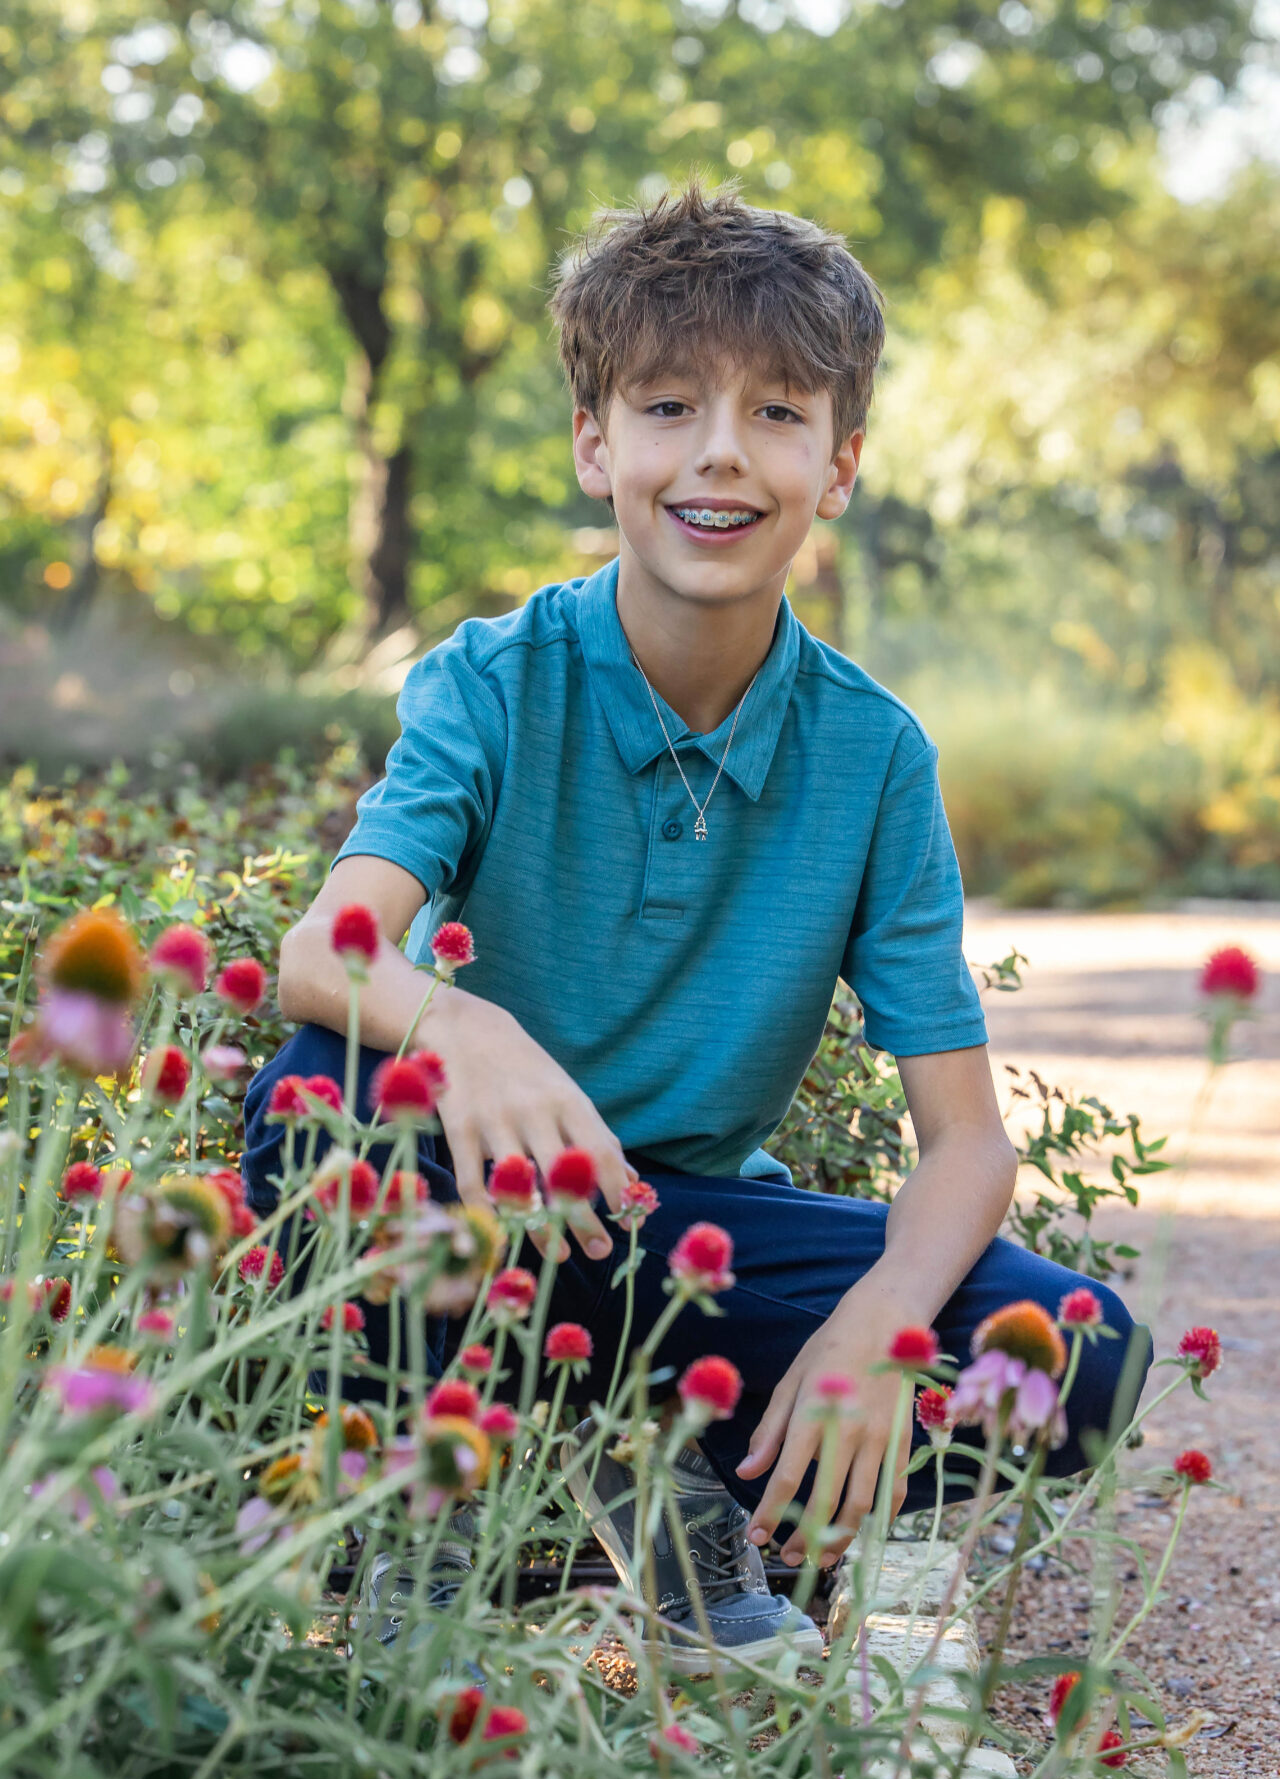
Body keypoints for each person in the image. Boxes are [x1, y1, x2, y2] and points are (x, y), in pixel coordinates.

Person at [242, 181, 1151, 1670]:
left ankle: (676, 1476)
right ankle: (432, 1511)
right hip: (491, 1202)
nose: (721, 453)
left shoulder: (876, 756)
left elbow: (969, 1143)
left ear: (839, 463)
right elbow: (325, 950)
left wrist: (881, 1332)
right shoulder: (493, 681)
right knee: (317, 1108)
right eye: (669, 407)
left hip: (688, 1246)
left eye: (778, 413)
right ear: (598, 444)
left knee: (1084, 1359)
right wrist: (463, 1024)